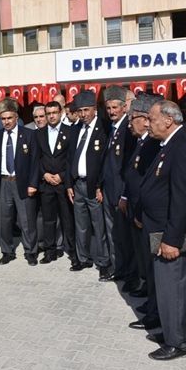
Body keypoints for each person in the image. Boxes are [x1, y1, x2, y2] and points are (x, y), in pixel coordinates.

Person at [140, 100, 186, 361]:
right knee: (166, 289)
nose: (148, 123)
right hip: (162, 229)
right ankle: (170, 332)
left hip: (174, 235)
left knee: (175, 290)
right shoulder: (168, 144)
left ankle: (178, 343)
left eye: (151, 118)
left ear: (168, 120)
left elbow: (183, 199)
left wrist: (171, 240)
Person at [118, 94, 163, 331]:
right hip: (138, 213)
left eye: (132, 118)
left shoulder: (154, 144)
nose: (129, 123)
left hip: (150, 218)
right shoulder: (142, 142)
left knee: (156, 270)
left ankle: (156, 314)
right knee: (147, 265)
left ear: (145, 119)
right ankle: (151, 304)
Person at [65, 91, 112, 280]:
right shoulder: (76, 129)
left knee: (98, 226)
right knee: (81, 225)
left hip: (94, 187)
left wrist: (100, 185)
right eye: (80, 111)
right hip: (77, 185)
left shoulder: (104, 128)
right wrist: (69, 183)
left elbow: (105, 162)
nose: (83, 114)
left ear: (94, 109)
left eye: (86, 110)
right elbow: (69, 158)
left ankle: (103, 263)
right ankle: (84, 258)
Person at [0, 99, 40, 266]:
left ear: (16, 117)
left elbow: (35, 162)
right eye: (3, 119)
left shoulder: (29, 134)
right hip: (4, 182)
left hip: (23, 182)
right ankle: (7, 251)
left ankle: (31, 251)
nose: (6, 122)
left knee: (27, 220)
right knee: (4, 220)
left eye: (9, 118)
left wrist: (33, 184)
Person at [101, 86, 138, 290]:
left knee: (125, 237)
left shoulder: (128, 130)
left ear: (124, 107)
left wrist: (125, 194)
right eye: (108, 108)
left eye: (115, 107)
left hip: (121, 194)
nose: (112, 111)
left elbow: (129, 167)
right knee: (113, 234)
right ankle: (119, 268)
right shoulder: (112, 128)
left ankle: (129, 274)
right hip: (108, 191)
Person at [37, 101, 77, 266]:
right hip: (46, 184)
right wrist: (44, 174)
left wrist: (62, 175)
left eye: (54, 112)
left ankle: (74, 253)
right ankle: (50, 251)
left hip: (63, 184)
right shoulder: (39, 134)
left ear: (61, 113)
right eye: (49, 113)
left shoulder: (71, 132)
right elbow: (36, 158)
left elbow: (72, 159)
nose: (51, 116)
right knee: (48, 220)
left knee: (68, 220)